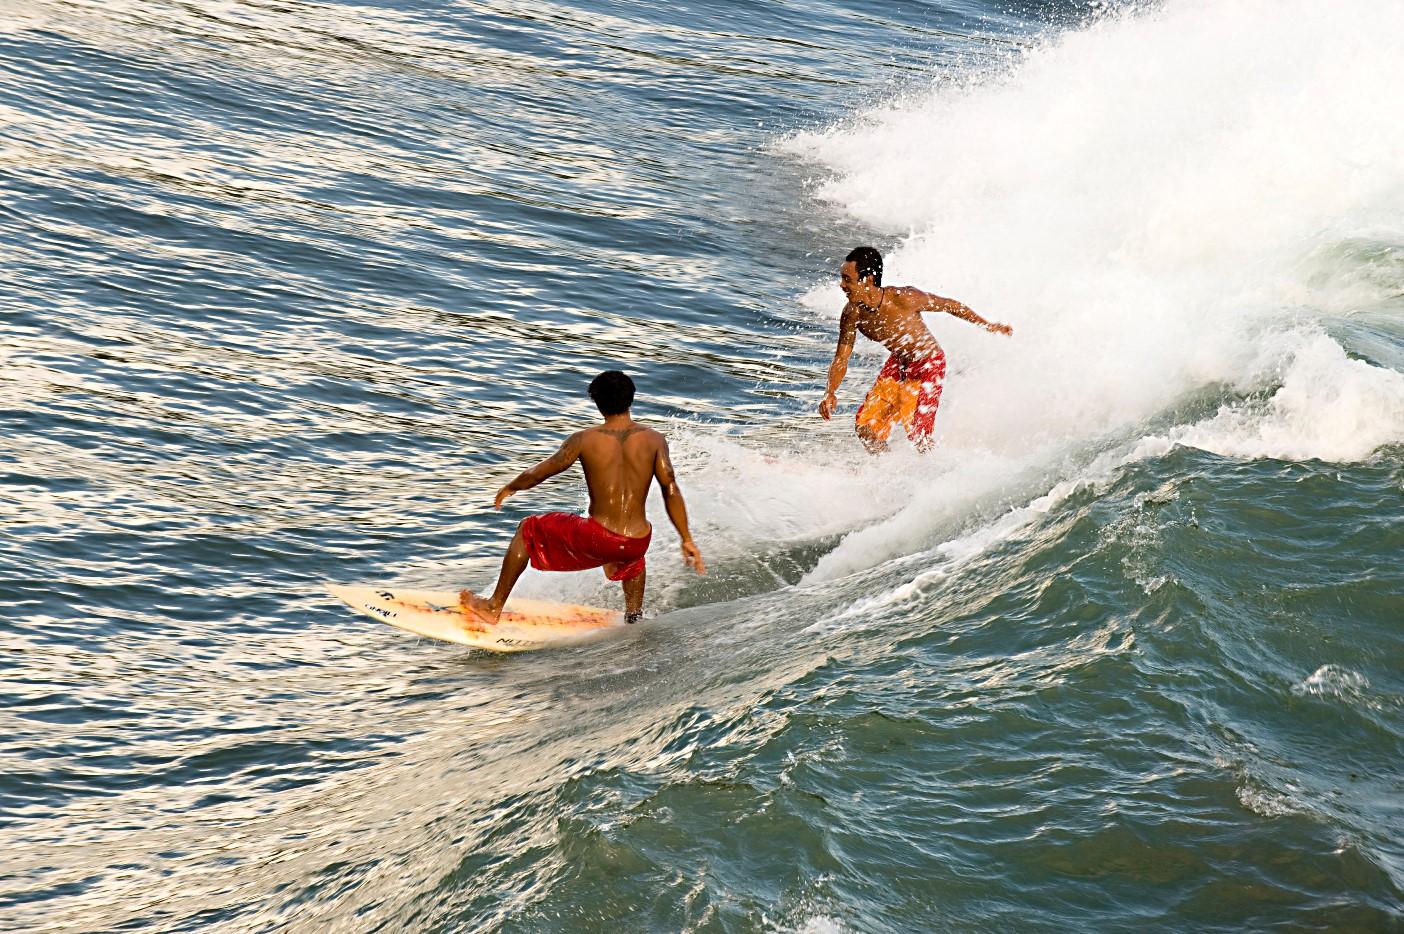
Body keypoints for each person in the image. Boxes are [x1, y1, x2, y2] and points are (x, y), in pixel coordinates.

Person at [460, 370, 705, 627]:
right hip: (636, 541)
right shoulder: (655, 440)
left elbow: (540, 472)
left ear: (597, 404)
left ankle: (493, 606)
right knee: (631, 553)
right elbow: (670, 487)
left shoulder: (584, 440)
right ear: (631, 399)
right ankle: (634, 618)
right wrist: (686, 538)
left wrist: (511, 487)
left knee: (527, 529)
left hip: (599, 537)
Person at [819, 246, 1012, 453]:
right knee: (866, 428)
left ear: (868, 279)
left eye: (847, 279)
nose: (842, 285)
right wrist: (830, 392)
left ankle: (938, 472)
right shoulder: (852, 314)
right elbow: (841, 358)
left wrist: (989, 325)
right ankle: (886, 469)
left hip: (928, 364)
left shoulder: (904, 298)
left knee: (919, 434)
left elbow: (950, 305)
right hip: (898, 365)